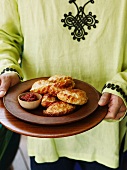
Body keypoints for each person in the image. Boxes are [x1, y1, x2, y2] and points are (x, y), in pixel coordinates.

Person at [0, 0, 127, 169]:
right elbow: (5, 34)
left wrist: (123, 84)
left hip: (108, 127)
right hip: (42, 130)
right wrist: (7, 68)